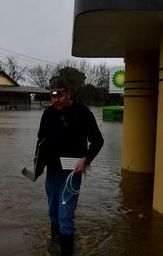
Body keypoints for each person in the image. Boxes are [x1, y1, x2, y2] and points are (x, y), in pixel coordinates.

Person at [36, 77, 104, 255]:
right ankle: (53, 247)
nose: (56, 99)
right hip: (51, 170)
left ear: (69, 93)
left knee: (65, 215)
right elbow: (41, 140)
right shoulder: (48, 113)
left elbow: (98, 141)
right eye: (53, 95)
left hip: (72, 171)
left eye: (60, 95)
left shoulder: (83, 112)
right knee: (53, 212)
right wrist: (38, 164)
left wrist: (86, 159)